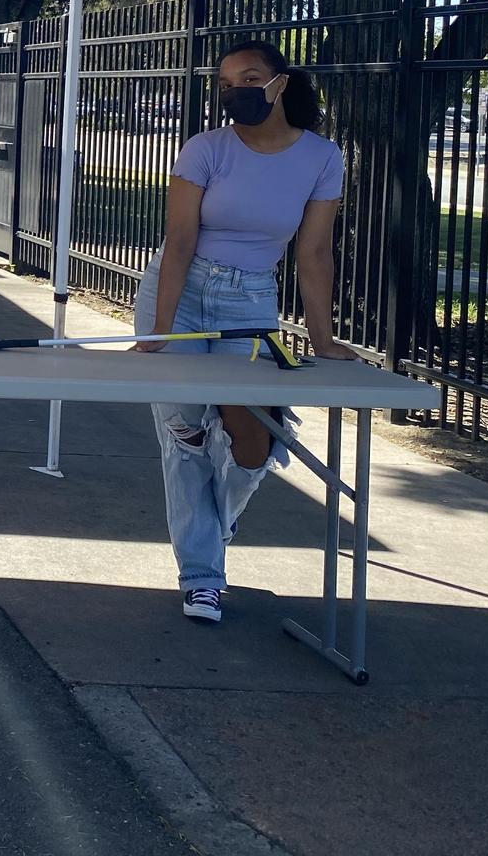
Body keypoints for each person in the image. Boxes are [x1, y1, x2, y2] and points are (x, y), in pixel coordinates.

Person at [132, 39, 359, 624]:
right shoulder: (205, 148)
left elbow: (313, 254)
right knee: (184, 438)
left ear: (280, 83)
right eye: (227, 83)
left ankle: (216, 519)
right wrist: (160, 328)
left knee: (255, 434)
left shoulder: (321, 157)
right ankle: (202, 576)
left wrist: (323, 337)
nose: (237, 91)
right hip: (177, 295)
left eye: (250, 77)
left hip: (250, 298)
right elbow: (179, 241)